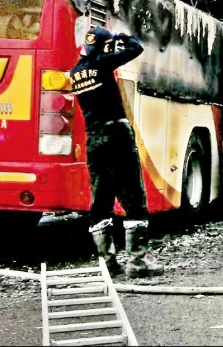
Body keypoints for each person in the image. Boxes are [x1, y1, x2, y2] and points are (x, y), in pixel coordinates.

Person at [71, 27, 163, 278]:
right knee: (133, 197)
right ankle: (137, 263)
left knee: (100, 200)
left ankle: (108, 264)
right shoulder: (102, 64)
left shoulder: (75, 73)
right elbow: (136, 48)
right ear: (104, 46)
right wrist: (123, 37)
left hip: (94, 140)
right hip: (117, 137)